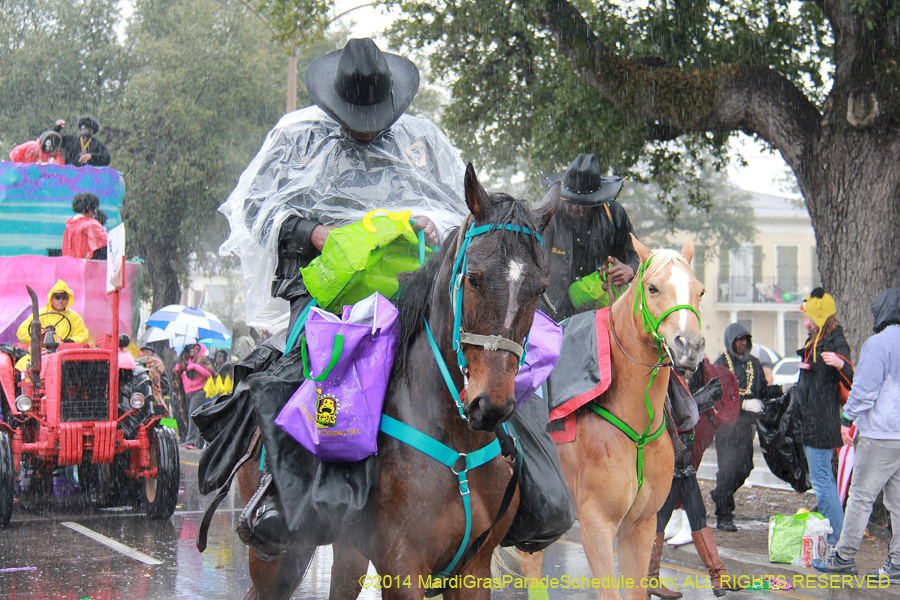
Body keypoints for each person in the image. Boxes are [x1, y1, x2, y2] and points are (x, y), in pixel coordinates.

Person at [216, 38, 472, 557]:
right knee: (293, 374)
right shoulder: (297, 139)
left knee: (486, 356)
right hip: (324, 294)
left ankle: (513, 477)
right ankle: (276, 491)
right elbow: (257, 211)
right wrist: (315, 233)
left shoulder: (421, 140)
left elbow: (459, 210)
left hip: (412, 292)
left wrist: (434, 223)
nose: (367, 125)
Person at [813, 287, 900, 581]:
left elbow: (863, 392)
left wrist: (847, 420)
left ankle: (844, 556)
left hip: (881, 434)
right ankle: (898, 562)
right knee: (899, 503)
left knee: (861, 496)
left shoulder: (879, 344)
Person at [648, 371, 741, 599]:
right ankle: (650, 579)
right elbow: (667, 414)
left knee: (697, 517)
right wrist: (701, 399)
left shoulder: (670, 374)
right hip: (668, 463)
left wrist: (700, 398)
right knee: (660, 521)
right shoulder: (657, 373)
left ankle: (718, 575)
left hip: (681, 462)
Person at [539, 153, 639, 321]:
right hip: (551, 313)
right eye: (571, 201)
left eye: (584, 204)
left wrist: (630, 269)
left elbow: (638, 257)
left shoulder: (614, 215)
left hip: (602, 314)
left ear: (596, 199)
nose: (577, 208)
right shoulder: (549, 216)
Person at [793, 288, 854, 545]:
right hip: (811, 421)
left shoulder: (835, 342)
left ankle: (836, 541)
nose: (806, 322)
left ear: (822, 319)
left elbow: (852, 378)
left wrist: (840, 364)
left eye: (810, 319)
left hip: (822, 422)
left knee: (822, 481)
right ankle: (834, 538)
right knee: (821, 479)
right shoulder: (813, 341)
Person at [711, 323, 783, 531]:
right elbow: (718, 395)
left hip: (745, 427)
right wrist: (742, 403)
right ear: (730, 341)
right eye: (739, 339)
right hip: (726, 428)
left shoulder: (754, 364)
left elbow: (761, 390)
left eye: (746, 340)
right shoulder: (721, 365)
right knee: (727, 469)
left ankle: (720, 494)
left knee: (745, 468)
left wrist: (780, 390)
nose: (743, 343)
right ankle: (724, 515)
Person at [16, 279, 89, 345]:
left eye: (64, 297)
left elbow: (83, 335)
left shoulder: (75, 317)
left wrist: (71, 341)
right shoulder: (40, 314)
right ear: (51, 298)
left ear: (68, 299)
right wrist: (39, 340)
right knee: (23, 360)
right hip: (40, 353)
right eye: (57, 297)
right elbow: (21, 332)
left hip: (64, 353)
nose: (61, 300)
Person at [174, 344, 213, 449]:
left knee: (193, 415)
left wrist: (196, 367)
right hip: (187, 392)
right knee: (186, 415)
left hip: (199, 392)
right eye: (193, 348)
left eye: (197, 349)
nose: (194, 351)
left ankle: (191, 441)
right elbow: (182, 374)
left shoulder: (203, 360)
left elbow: (209, 373)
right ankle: (196, 441)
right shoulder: (186, 359)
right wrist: (178, 369)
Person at [62, 192, 108, 260]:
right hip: (89, 267)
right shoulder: (91, 224)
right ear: (91, 210)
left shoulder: (69, 226)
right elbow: (107, 244)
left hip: (73, 267)